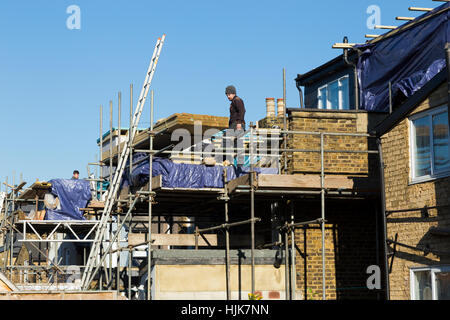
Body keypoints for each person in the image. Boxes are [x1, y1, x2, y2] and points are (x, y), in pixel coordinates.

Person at [224, 85, 246, 165]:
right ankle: (236, 161)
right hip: (234, 124)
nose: (228, 96)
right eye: (227, 95)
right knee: (237, 142)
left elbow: (242, 111)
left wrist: (239, 123)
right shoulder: (233, 102)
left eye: (229, 94)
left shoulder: (237, 100)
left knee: (226, 138)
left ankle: (230, 159)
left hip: (237, 124)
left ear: (233, 93)